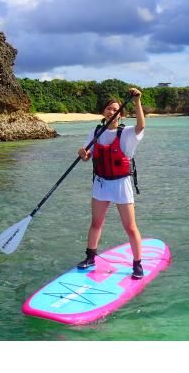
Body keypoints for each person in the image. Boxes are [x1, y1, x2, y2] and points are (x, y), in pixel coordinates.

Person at [76, 88, 146, 279]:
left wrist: (137, 101)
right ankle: (90, 257)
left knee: (130, 227)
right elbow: (87, 156)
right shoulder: (96, 131)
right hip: (101, 183)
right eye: (108, 108)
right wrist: (83, 154)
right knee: (96, 222)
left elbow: (141, 126)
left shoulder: (128, 133)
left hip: (121, 184)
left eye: (115, 109)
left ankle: (137, 264)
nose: (111, 111)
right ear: (103, 113)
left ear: (120, 114)